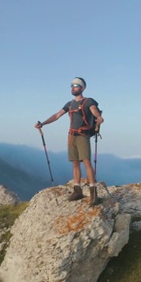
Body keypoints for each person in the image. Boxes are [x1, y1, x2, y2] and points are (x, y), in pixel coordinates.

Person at [35, 77, 104, 206]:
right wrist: (43, 123)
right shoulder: (69, 104)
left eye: (76, 85)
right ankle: (77, 190)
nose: (73, 87)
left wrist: (99, 118)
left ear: (82, 88)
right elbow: (57, 115)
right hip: (71, 135)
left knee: (87, 162)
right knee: (75, 162)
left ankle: (93, 194)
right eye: (71, 85)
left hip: (83, 135)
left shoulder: (89, 101)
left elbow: (95, 111)